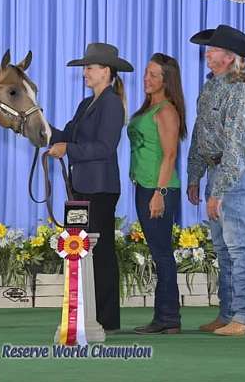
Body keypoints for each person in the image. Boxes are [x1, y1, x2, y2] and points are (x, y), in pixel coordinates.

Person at [48, 42, 133, 333]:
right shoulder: (87, 104)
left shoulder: (111, 104)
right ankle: (86, 311)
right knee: (83, 251)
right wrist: (39, 127)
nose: (85, 72)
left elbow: (104, 147)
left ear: (105, 71)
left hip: (99, 188)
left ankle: (107, 318)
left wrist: (67, 148)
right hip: (83, 186)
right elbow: (67, 134)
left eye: (90, 67)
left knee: (101, 251)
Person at [187, 24, 245, 336]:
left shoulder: (241, 91)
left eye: (215, 49)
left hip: (236, 170)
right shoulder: (211, 87)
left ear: (230, 57)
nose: (209, 53)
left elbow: (237, 146)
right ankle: (229, 312)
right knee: (223, 246)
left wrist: (217, 191)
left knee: (238, 244)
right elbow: (199, 133)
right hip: (218, 167)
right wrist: (195, 174)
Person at [128, 53, 187, 335]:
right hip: (145, 186)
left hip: (158, 188)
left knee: (162, 254)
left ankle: (168, 318)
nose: (146, 79)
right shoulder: (149, 108)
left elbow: (170, 154)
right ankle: (166, 317)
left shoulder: (166, 111)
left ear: (167, 80)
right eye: (146, 73)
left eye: (153, 75)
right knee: (159, 252)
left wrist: (160, 193)